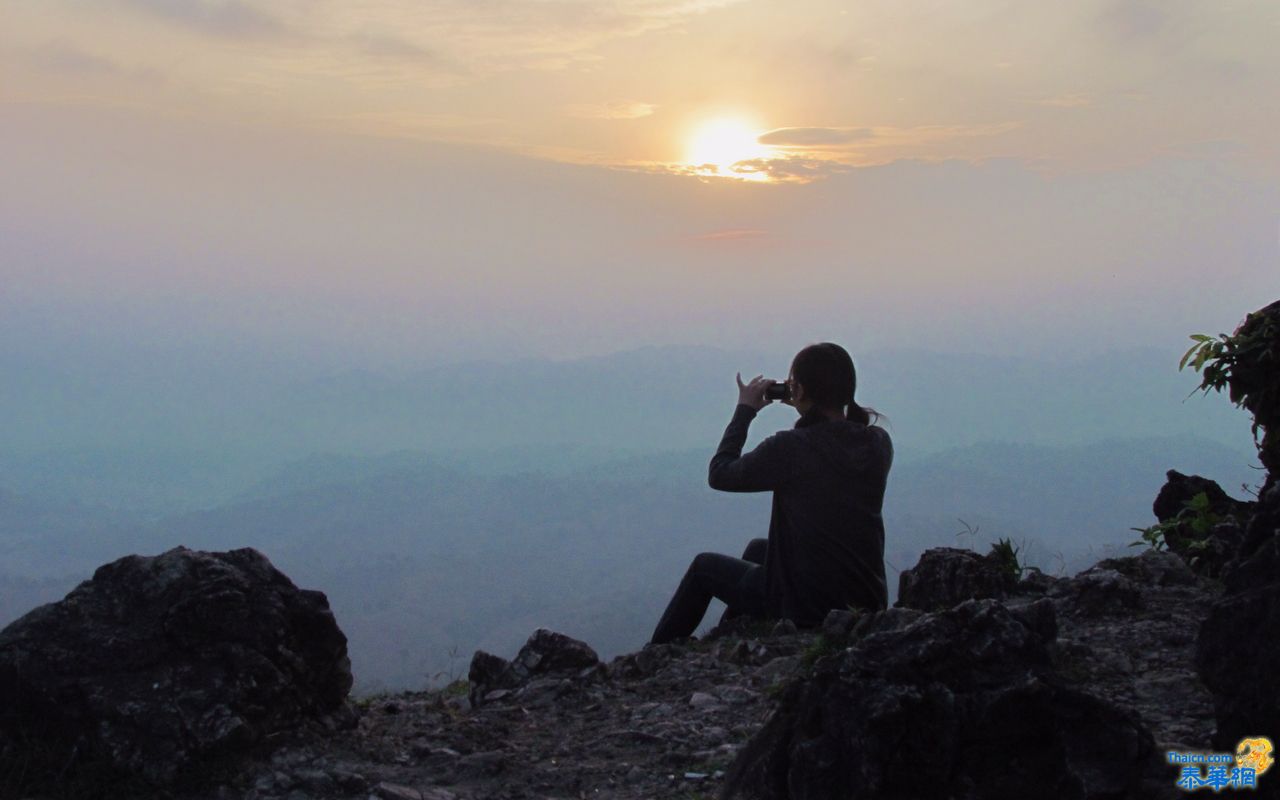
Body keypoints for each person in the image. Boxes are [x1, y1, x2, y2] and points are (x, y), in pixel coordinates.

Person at [648, 342, 892, 645]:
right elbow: (837, 438)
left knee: (703, 568)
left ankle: (654, 655)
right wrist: (808, 403)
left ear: (798, 390)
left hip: (808, 606)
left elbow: (720, 473)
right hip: (865, 600)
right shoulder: (878, 443)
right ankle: (732, 640)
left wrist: (745, 411)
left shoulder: (791, 448)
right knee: (757, 549)